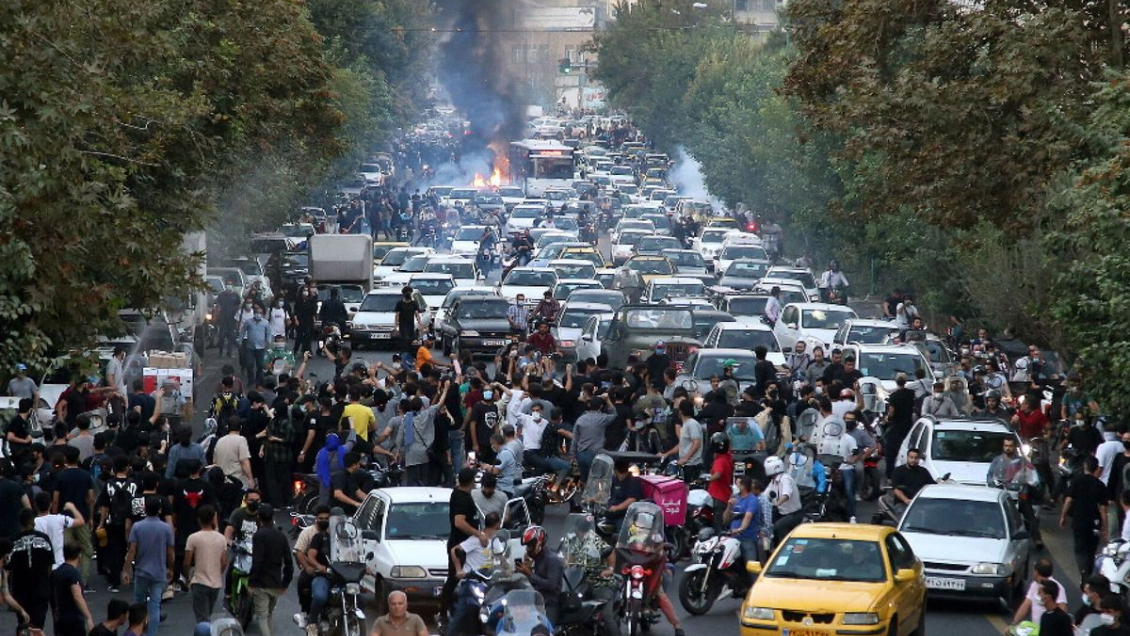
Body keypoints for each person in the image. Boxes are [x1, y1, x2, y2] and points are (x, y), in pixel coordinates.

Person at [122, 496, 174, 636]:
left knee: (139, 602)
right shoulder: (166, 528)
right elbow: (170, 551)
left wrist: (126, 570)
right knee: (155, 605)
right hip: (159, 572)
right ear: (160, 510)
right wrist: (171, 568)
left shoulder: (137, 526)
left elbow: (132, 550)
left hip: (141, 571)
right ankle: (152, 633)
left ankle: (138, 631)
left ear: (144, 509)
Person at [1061, 455, 1109, 579]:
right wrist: (1105, 528)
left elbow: (1068, 500)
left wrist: (1063, 516)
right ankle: (1088, 572)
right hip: (1094, 522)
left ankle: (1084, 573)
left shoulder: (1076, 480)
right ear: (1097, 468)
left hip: (1079, 520)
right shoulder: (1100, 485)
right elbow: (1103, 509)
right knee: (1091, 550)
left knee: (1080, 549)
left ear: (1084, 466)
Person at [249, 504, 293, 636]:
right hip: (276, 582)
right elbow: (289, 561)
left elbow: (257, 561)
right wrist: (285, 582)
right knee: (269, 614)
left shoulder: (259, 535)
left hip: (261, 582)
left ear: (258, 517)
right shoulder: (281, 536)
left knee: (262, 617)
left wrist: (251, 582)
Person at [8, 508, 53, 634]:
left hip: (20, 591)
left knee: (23, 626)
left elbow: (7, 568)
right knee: (38, 626)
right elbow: (50, 565)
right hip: (41, 589)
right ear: (33, 522)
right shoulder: (44, 539)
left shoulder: (13, 541)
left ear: (20, 523)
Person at [184, 505, 227, 624]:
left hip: (199, 582)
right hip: (216, 583)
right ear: (214, 519)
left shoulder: (193, 538)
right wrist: (217, 573)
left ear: (199, 519)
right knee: (208, 614)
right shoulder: (221, 538)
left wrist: (187, 577)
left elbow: (187, 562)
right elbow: (224, 562)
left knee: (202, 618)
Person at [515, 526, 563, 623]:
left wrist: (529, 574)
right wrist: (528, 572)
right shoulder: (538, 559)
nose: (528, 549)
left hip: (550, 603)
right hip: (538, 601)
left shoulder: (552, 559)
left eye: (530, 546)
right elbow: (537, 585)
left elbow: (552, 586)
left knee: (545, 628)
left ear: (538, 543)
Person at [51, 543, 95, 636]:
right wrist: (88, 616)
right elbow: (77, 596)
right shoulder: (73, 573)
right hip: (74, 618)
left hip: (61, 616)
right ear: (78, 556)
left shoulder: (58, 571)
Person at [1011, 558, 1068, 627]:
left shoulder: (1057, 588)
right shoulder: (1034, 585)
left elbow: (1062, 613)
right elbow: (1025, 605)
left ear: (1036, 572)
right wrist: (1014, 624)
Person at [34, 489, 84, 568]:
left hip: (41, 566)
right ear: (50, 505)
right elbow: (81, 521)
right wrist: (72, 507)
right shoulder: (59, 519)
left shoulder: (34, 522)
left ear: (35, 505)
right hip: (58, 564)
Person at [886, 448, 935, 519]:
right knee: (905, 517)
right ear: (907, 457)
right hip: (902, 503)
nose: (913, 460)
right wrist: (906, 500)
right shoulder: (898, 471)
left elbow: (931, 485)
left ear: (919, 459)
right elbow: (896, 489)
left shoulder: (923, 471)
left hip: (920, 503)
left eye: (916, 458)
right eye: (911, 457)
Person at [764, 456, 803, 544]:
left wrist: (777, 503)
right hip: (781, 514)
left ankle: (785, 547)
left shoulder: (785, 479)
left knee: (779, 526)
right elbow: (765, 495)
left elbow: (786, 494)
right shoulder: (773, 481)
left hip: (794, 514)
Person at [213, 417, 255, 489]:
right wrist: (250, 478)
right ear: (240, 427)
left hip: (222, 481)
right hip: (237, 481)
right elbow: (244, 461)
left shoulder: (220, 441)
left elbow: (214, 462)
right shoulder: (241, 440)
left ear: (227, 427)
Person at [707, 433, 734, 531]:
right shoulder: (726, 458)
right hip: (723, 494)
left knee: (718, 525)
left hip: (718, 496)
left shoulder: (720, 460)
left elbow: (718, 474)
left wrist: (706, 479)